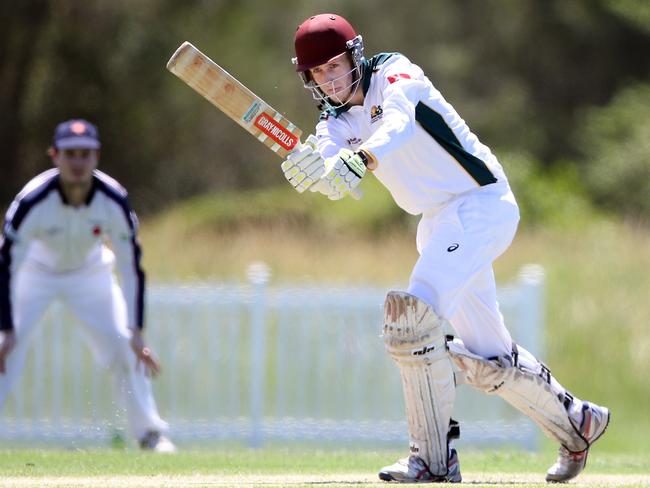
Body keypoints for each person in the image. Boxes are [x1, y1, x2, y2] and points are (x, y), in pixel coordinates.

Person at [281, 13, 609, 483]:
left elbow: (397, 124)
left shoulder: (397, 73)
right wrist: (314, 172)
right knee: (487, 354)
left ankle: (433, 461)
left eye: (335, 65)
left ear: (355, 55)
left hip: (481, 202)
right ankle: (578, 422)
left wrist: (360, 158)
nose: (330, 79)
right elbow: (335, 174)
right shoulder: (334, 122)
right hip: (437, 224)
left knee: (412, 321)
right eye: (318, 72)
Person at [0, 119, 176, 452]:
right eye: (70, 154)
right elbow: (6, 263)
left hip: (90, 272)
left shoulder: (113, 199)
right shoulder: (32, 201)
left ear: (96, 156)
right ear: (54, 156)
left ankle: (149, 434)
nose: (78, 162)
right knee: (4, 350)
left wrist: (136, 332)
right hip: (34, 272)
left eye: (85, 154)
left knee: (125, 346)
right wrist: (6, 329)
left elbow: (130, 265)